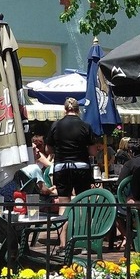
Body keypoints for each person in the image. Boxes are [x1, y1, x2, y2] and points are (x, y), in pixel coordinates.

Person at [45, 98, 97, 247]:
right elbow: (92, 151)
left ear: (65, 109)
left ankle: (63, 244)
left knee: (64, 205)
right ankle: (81, 241)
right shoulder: (85, 126)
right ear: (78, 110)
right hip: (81, 167)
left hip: (62, 167)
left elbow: (48, 149)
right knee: (82, 203)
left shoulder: (56, 125)